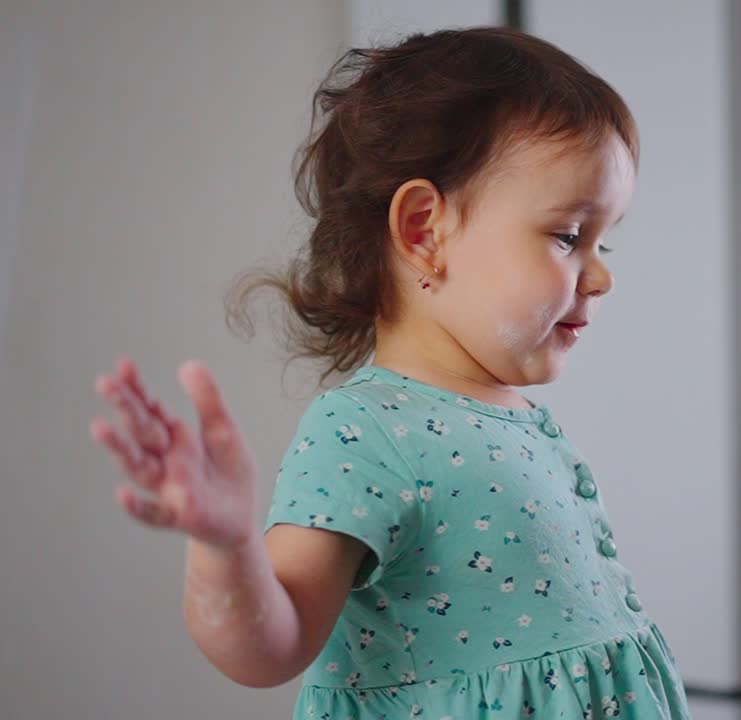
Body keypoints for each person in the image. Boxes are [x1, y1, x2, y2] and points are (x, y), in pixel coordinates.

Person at [89, 26, 689, 720]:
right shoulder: (369, 432)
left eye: (603, 240)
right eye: (567, 237)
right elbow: (267, 650)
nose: (603, 274)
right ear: (424, 230)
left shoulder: (515, 414)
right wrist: (224, 545)